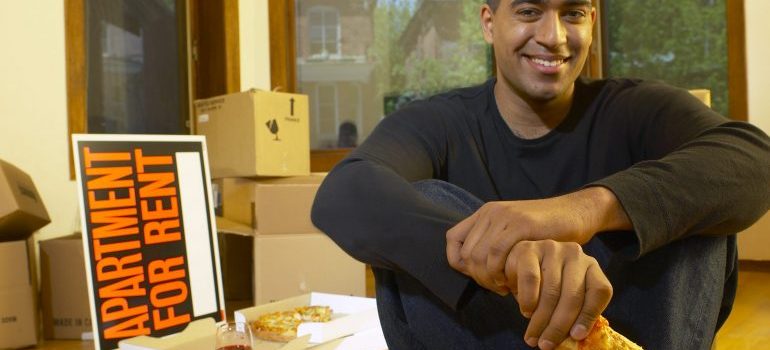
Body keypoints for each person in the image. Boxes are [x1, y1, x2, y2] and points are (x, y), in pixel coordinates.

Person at [311, 0, 770, 349]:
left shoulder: (638, 107)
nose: (553, 36)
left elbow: (755, 160)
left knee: (700, 196)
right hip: (495, 333)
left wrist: (584, 209)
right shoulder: (439, 122)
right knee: (430, 199)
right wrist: (507, 257)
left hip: (629, 330)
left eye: (572, 13)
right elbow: (346, 191)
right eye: (529, 11)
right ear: (489, 23)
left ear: (591, 20)